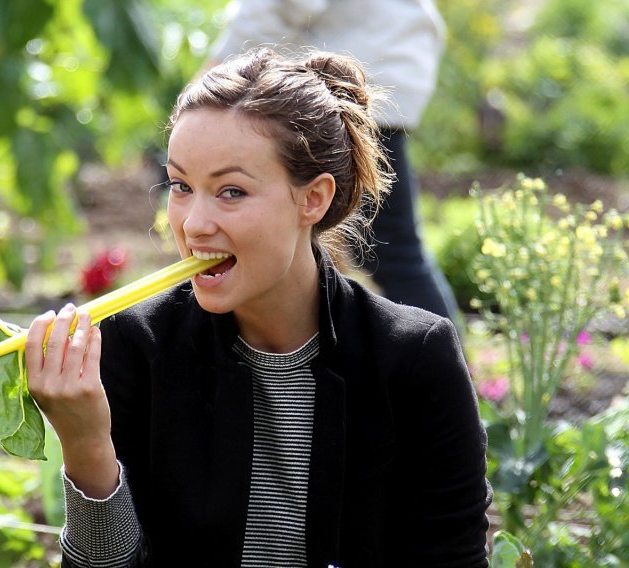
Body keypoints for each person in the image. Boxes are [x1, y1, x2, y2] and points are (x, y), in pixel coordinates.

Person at [26, 48, 491, 567]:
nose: (194, 223)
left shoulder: (414, 358)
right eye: (181, 186)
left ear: (312, 199)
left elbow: (454, 557)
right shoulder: (139, 345)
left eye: (230, 192)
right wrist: (86, 446)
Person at [205, 0, 462, 327]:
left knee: (391, 254)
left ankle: (444, 372)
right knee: (357, 253)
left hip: (347, 93)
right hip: (383, 74)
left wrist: (216, 71)